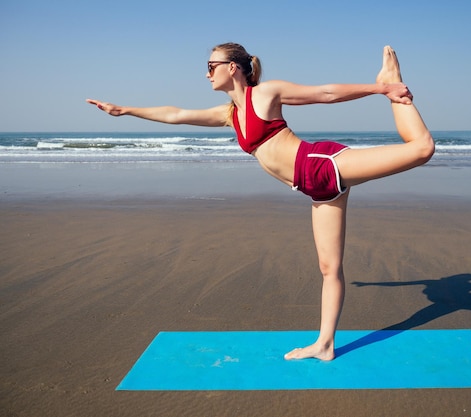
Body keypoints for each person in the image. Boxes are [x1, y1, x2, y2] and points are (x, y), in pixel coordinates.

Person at [87, 43, 435, 361]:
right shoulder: (230, 114)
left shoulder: (265, 94)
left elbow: (324, 93)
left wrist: (382, 89)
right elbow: (176, 114)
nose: (206, 72)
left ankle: (393, 81)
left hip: (321, 165)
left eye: (211, 65)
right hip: (316, 189)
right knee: (329, 269)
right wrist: (125, 110)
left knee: (421, 149)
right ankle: (325, 344)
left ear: (234, 67)